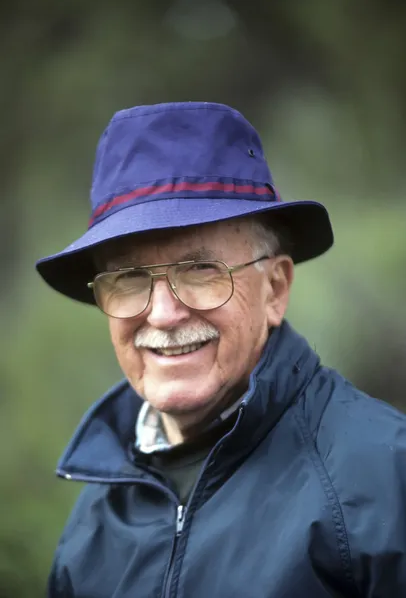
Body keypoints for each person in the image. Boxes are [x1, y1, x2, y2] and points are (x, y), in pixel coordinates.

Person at [36, 102, 406, 598]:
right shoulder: (97, 514)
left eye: (201, 270)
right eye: (128, 278)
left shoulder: (384, 475)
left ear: (275, 288)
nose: (163, 315)